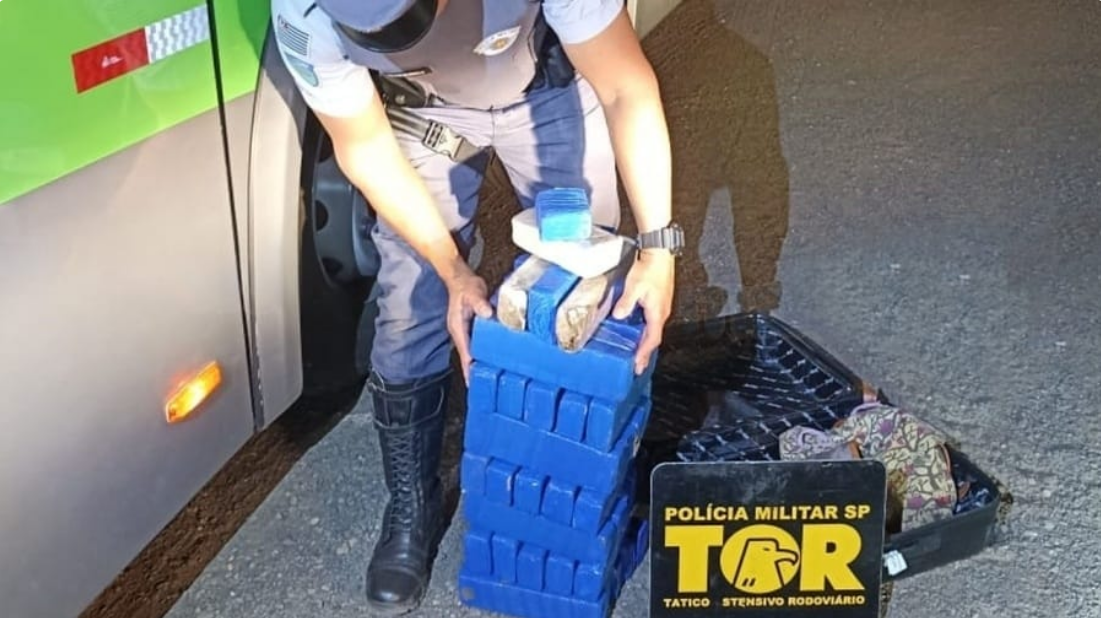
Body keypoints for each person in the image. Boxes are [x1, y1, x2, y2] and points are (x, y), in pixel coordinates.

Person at [271, 0, 683, 613]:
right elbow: (363, 144)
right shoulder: (302, 17)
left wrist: (658, 248)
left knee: (585, 291)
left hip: (545, 87)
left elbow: (626, 88)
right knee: (409, 311)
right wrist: (451, 269)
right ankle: (411, 505)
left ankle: (586, 475)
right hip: (424, 114)